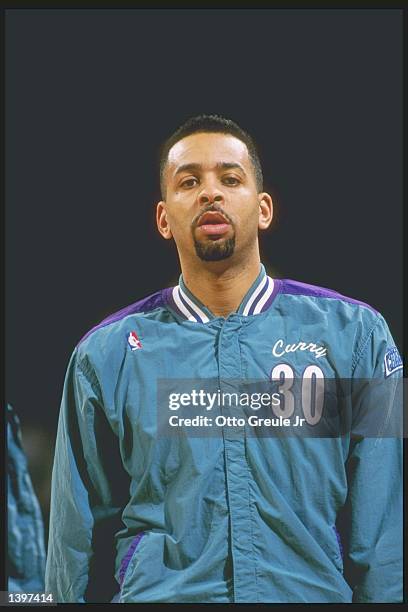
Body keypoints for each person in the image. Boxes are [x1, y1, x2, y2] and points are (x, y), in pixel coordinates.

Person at [45, 114, 402, 603]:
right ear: (163, 218)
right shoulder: (102, 354)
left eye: (230, 179)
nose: (210, 193)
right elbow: (73, 537)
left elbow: (385, 529)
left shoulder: (358, 336)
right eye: (189, 181)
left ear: (263, 209)